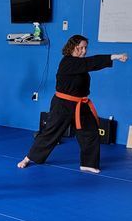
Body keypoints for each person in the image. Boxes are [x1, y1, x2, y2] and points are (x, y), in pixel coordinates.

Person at [17, 34, 128, 173]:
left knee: (91, 132)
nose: (84, 50)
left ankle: (88, 164)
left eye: (85, 47)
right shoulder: (68, 62)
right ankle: (28, 158)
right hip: (62, 105)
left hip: (80, 105)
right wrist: (114, 56)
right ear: (72, 47)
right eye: (81, 47)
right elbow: (91, 62)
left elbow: (87, 66)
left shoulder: (79, 64)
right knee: (51, 132)